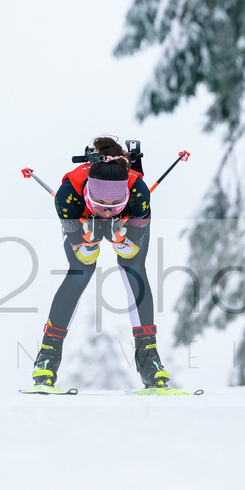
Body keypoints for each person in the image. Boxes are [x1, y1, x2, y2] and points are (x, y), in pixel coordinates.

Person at [27, 136, 172, 392]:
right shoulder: (68, 195)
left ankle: (150, 364)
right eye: (100, 204)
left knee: (134, 270)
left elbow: (132, 252)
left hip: (128, 222)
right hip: (80, 216)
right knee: (81, 271)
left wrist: (120, 240)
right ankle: (47, 360)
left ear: (125, 195)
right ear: (88, 195)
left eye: (115, 204)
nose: (107, 211)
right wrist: (88, 243)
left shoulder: (139, 193)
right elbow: (83, 256)